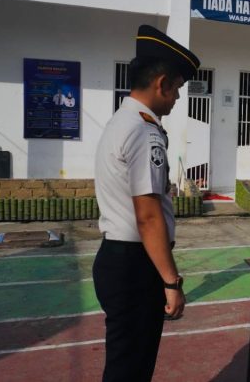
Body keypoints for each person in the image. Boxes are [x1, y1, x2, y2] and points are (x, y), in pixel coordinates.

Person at [92, 24, 199, 381]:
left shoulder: (120, 121)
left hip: (120, 261)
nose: (177, 99)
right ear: (162, 83)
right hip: (135, 267)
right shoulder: (144, 131)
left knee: (125, 365)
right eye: (178, 89)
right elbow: (149, 216)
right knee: (131, 370)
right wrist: (171, 281)